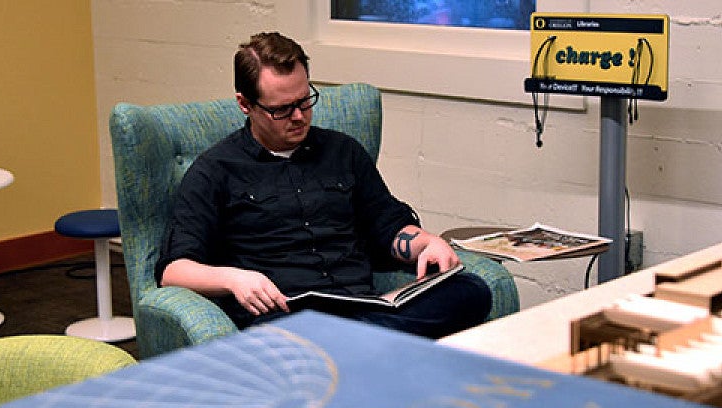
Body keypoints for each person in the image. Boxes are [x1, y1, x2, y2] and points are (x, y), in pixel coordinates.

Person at [155, 31, 491, 338]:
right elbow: (174, 270)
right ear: (245, 104)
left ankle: (360, 340)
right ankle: (373, 342)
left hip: (363, 304)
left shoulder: (342, 151)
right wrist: (233, 278)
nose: (299, 116)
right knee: (292, 338)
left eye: (304, 101)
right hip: (287, 317)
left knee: (473, 290)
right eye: (282, 109)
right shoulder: (215, 170)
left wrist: (426, 244)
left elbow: (388, 225)